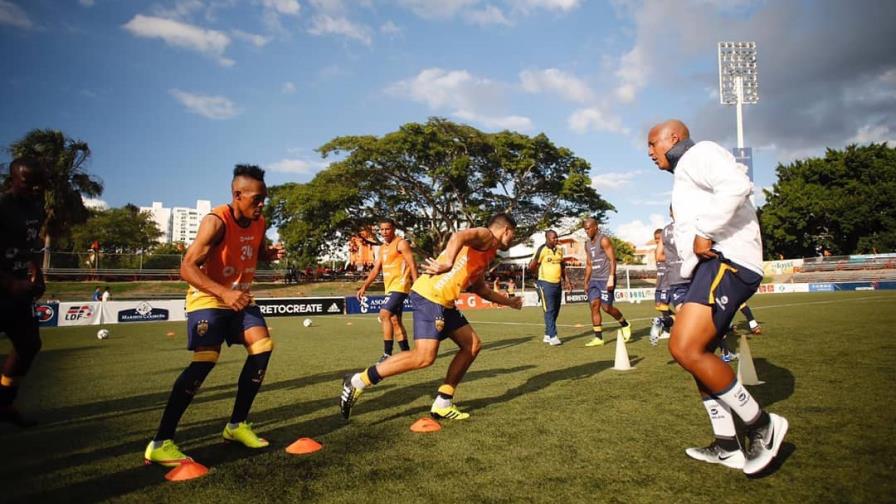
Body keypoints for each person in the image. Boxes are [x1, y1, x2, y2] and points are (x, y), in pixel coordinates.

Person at [648, 119, 788, 475]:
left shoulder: (700, 153)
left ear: (674, 138)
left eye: (653, 144)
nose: (650, 152)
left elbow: (738, 185)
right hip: (709, 269)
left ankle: (761, 425)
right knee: (699, 355)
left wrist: (705, 232)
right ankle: (728, 447)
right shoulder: (685, 175)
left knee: (683, 348)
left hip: (729, 260)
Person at [144, 165, 275, 466]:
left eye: (264, 199)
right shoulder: (216, 221)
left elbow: (256, 249)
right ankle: (161, 442)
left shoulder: (260, 222)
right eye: (256, 199)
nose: (261, 204)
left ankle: (236, 426)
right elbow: (187, 267)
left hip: (238, 299)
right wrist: (224, 293)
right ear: (237, 195)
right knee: (205, 361)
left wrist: (269, 254)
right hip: (209, 297)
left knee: (263, 348)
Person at [340, 214, 523, 421]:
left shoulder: (488, 252)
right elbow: (458, 236)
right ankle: (357, 381)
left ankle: (443, 402)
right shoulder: (486, 235)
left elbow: (479, 288)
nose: (512, 239)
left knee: (472, 346)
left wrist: (509, 302)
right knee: (424, 357)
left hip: (445, 301)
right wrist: (446, 262)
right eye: (513, 235)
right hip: (430, 296)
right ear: (506, 230)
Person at [0, 157, 47, 427]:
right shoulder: (2, 205)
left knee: (29, 344)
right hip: (4, 286)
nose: (34, 189)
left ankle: (4, 402)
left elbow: (30, 246)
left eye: (38, 185)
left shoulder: (35, 207)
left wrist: (35, 272)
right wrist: (8, 283)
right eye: (28, 184)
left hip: (19, 289)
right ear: (13, 179)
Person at [356, 218, 419, 363]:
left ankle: (387, 354)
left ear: (394, 229)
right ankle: (407, 353)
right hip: (389, 288)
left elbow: (412, 264)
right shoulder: (383, 248)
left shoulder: (401, 243)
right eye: (382, 229)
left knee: (384, 314)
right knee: (395, 320)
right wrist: (364, 286)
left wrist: (416, 285)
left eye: (387, 229)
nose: (384, 232)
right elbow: (376, 269)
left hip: (401, 286)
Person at [582, 218, 631, 347]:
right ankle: (598, 338)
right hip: (594, 279)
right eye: (585, 229)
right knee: (594, 306)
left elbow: (612, 260)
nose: (587, 231)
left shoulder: (603, 240)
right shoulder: (587, 244)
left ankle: (625, 324)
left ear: (596, 227)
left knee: (606, 307)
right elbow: (588, 264)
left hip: (605, 279)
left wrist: (611, 277)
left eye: (589, 228)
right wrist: (586, 281)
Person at [528, 230, 570, 346]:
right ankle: (553, 336)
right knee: (549, 310)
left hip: (557, 284)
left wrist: (566, 280)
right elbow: (532, 265)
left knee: (556, 310)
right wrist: (536, 276)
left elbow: (562, 266)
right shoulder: (542, 249)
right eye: (553, 238)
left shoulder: (560, 250)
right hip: (545, 283)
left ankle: (547, 334)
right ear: (547, 238)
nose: (556, 240)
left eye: (556, 238)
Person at [650, 228, 671, 341]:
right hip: (659, 284)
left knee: (663, 307)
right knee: (659, 307)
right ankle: (674, 318)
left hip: (667, 285)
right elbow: (659, 270)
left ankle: (667, 331)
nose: (658, 241)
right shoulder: (655, 252)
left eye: (660, 238)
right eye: (656, 239)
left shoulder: (669, 251)